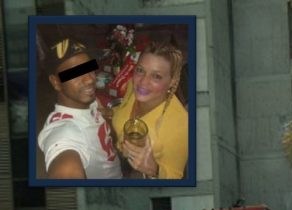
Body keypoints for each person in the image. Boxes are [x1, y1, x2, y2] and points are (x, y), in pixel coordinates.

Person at [38, 38, 122, 179]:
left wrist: (108, 115)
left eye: (89, 68)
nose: (89, 79)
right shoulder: (64, 131)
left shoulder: (87, 101)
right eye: (74, 74)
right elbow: (66, 169)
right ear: (56, 82)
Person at [112, 40, 188, 179]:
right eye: (140, 70)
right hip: (115, 162)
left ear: (172, 81)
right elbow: (121, 109)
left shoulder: (181, 125)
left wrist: (154, 169)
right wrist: (108, 112)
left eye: (156, 76)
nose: (143, 82)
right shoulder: (132, 86)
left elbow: (175, 177)